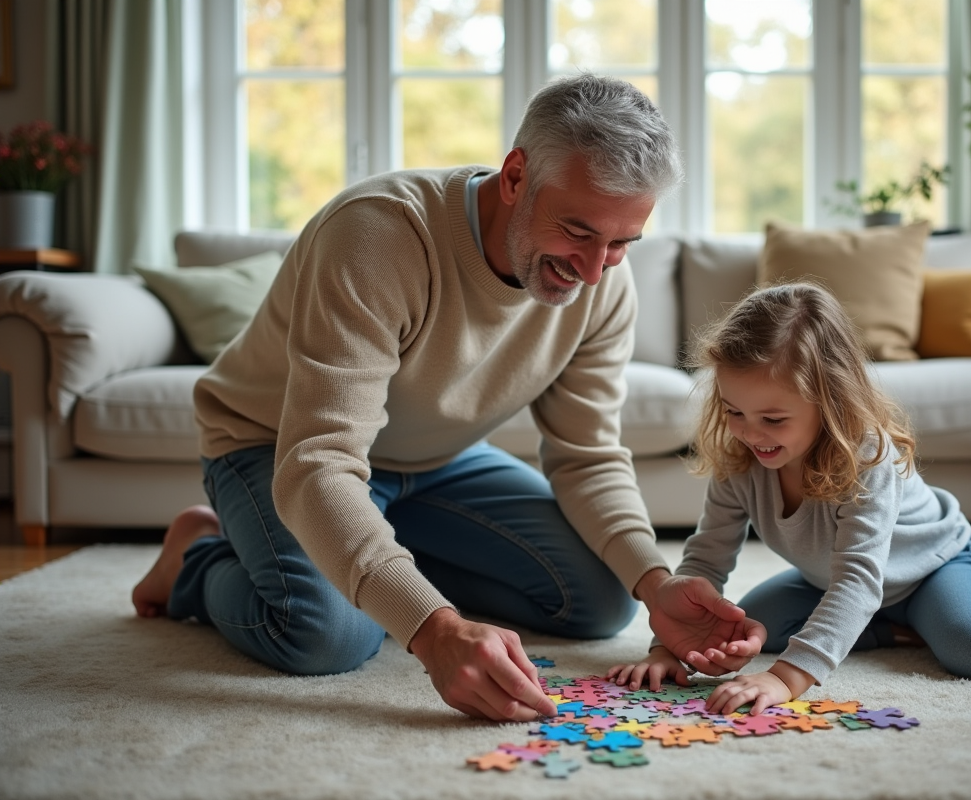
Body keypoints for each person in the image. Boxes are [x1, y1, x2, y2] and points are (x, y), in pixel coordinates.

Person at [132, 73, 763, 722]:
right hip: (275, 446)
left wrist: (658, 586)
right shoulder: (377, 235)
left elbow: (587, 456)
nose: (595, 268)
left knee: (604, 601)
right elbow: (318, 463)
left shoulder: (604, 285)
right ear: (515, 176)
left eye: (621, 244)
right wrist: (434, 629)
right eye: (578, 231)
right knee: (323, 635)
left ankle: (372, 556)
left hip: (431, 463)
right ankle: (197, 558)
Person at [608, 281, 971, 716]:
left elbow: (859, 578)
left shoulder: (866, 454)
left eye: (773, 418)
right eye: (733, 411)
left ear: (829, 399)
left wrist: (786, 678)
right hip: (828, 579)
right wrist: (668, 647)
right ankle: (896, 630)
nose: (750, 433)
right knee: (741, 628)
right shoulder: (740, 456)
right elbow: (706, 562)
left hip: (929, 567)